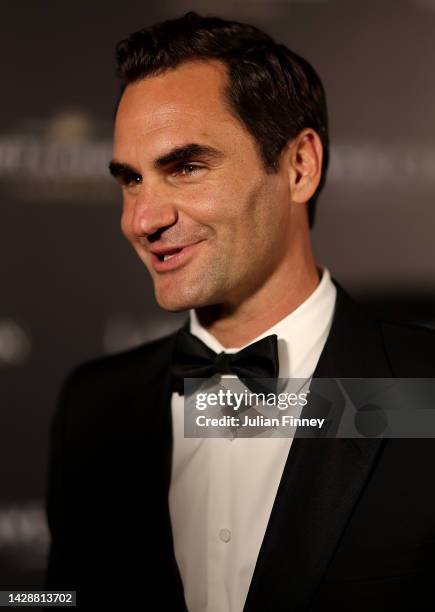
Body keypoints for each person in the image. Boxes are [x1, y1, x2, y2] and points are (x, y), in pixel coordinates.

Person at [45, 12, 435, 611]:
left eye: (187, 168)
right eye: (130, 180)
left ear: (299, 166)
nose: (141, 219)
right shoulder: (95, 408)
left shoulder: (424, 393)